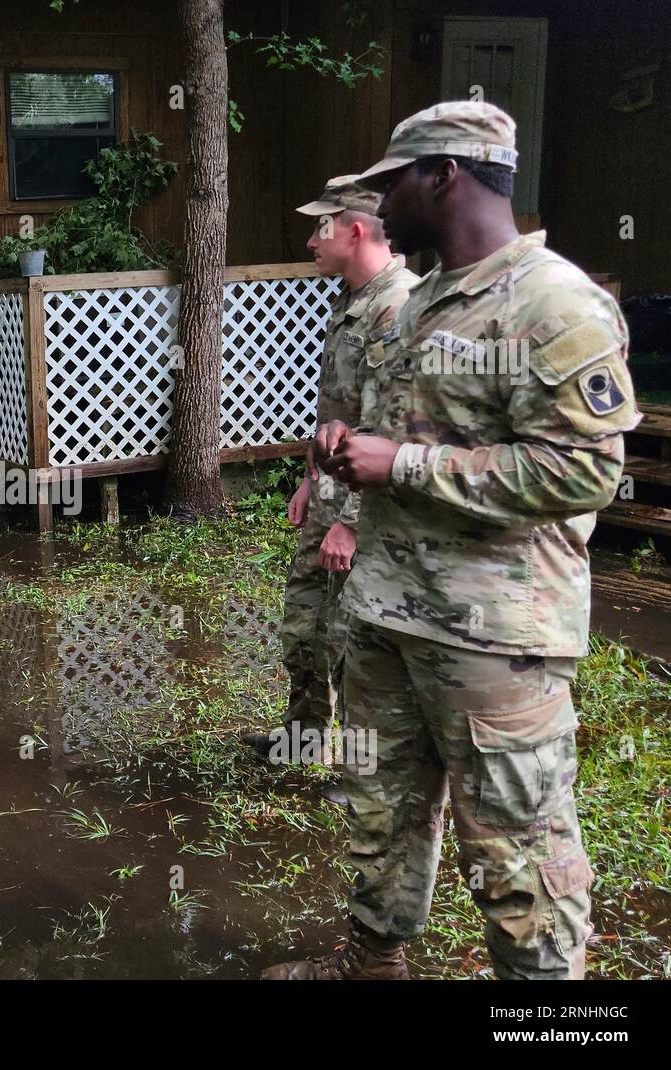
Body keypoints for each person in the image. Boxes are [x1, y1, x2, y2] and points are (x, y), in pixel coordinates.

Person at [262, 102, 639, 980]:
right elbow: (398, 435)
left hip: (494, 640)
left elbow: (584, 474)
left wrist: (408, 467)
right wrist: (348, 457)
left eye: (393, 181)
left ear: (445, 176)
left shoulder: (555, 300)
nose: (379, 203)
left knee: (517, 852)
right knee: (380, 814)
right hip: (389, 618)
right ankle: (373, 965)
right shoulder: (418, 302)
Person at [243, 176, 416, 783]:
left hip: (369, 513)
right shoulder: (352, 300)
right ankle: (304, 741)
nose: (311, 237)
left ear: (357, 229)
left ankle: (363, 777)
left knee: (359, 645)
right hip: (331, 497)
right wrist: (310, 481)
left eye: (322, 225)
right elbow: (338, 413)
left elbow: (397, 434)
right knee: (306, 626)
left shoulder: (400, 309)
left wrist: (350, 521)